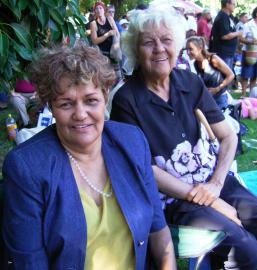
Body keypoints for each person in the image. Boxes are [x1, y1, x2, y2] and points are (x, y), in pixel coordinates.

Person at [111, 5, 257, 269]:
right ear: (136, 50)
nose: (159, 48)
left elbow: (229, 136)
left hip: (213, 182)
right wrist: (211, 201)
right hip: (174, 201)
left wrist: (216, 186)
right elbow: (145, 170)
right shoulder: (127, 100)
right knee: (247, 252)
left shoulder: (189, 81)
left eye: (166, 40)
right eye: (148, 42)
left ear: (177, 44)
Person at [2, 44, 176, 269]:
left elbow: (159, 231)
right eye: (66, 103)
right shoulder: (28, 167)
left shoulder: (132, 142)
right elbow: (29, 262)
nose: (80, 114)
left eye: (91, 100)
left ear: (105, 97)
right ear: (51, 107)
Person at [186, 36, 234, 110]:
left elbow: (231, 75)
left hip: (220, 99)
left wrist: (218, 88)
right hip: (209, 99)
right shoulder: (196, 63)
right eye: (187, 49)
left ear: (200, 48)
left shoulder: (213, 59)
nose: (188, 52)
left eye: (190, 49)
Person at [210, 0, 242, 71]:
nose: (235, 6)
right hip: (223, 53)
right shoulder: (223, 17)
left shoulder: (228, 17)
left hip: (228, 53)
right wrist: (238, 33)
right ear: (227, 4)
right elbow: (225, 36)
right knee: (225, 75)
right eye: (234, 4)